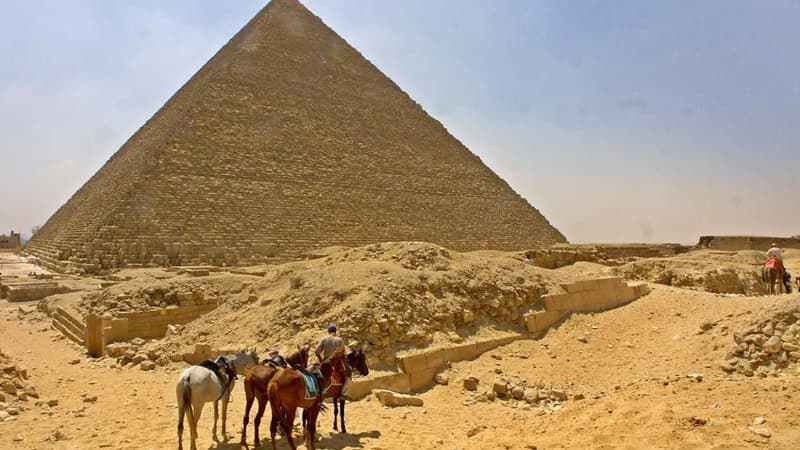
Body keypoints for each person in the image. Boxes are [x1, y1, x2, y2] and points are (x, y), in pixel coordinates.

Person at [315, 324, 351, 396]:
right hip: (335, 364)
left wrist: (321, 360)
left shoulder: (324, 339)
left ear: (328, 331)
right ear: (335, 331)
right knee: (349, 372)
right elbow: (343, 354)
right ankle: (343, 393)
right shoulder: (339, 340)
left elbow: (317, 351)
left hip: (325, 362)